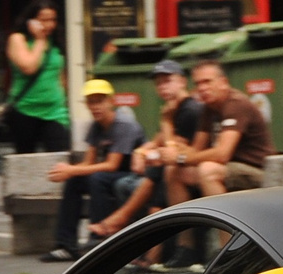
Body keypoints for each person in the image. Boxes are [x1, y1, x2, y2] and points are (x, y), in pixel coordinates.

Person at [88, 59, 206, 239]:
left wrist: (165, 123)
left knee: (148, 179)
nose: (162, 87)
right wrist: (140, 152)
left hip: (186, 168)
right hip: (170, 166)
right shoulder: (172, 108)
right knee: (125, 183)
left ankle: (121, 222)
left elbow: (174, 149)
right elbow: (157, 141)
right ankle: (129, 241)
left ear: (182, 81)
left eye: (167, 81)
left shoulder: (189, 110)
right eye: (158, 83)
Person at [41, 79, 145, 262]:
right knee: (76, 181)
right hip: (111, 175)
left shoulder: (123, 124)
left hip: (132, 174)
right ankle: (66, 244)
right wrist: (67, 171)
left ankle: (98, 239)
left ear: (110, 101)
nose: (95, 106)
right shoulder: (96, 126)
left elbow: (112, 165)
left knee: (97, 178)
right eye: (91, 102)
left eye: (100, 101)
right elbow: (89, 162)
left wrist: (72, 169)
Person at [163, 59, 274, 209]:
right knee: (174, 172)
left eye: (207, 82)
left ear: (223, 82)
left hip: (258, 171)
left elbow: (222, 154)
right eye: (198, 84)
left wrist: (180, 157)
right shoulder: (208, 109)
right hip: (231, 169)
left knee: (208, 170)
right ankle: (185, 231)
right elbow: (196, 150)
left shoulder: (236, 104)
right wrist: (171, 152)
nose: (202, 88)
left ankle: (224, 230)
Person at [2, 1, 70, 154]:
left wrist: (65, 101)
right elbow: (29, 67)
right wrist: (39, 40)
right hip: (26, 109)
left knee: (59, 157)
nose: (49, 25)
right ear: (31, 20)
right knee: (26, 160)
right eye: (43, 20)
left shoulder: (55, 42)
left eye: (52, 20)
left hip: (55, 111)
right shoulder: (18, 39)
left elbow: (60, 75)